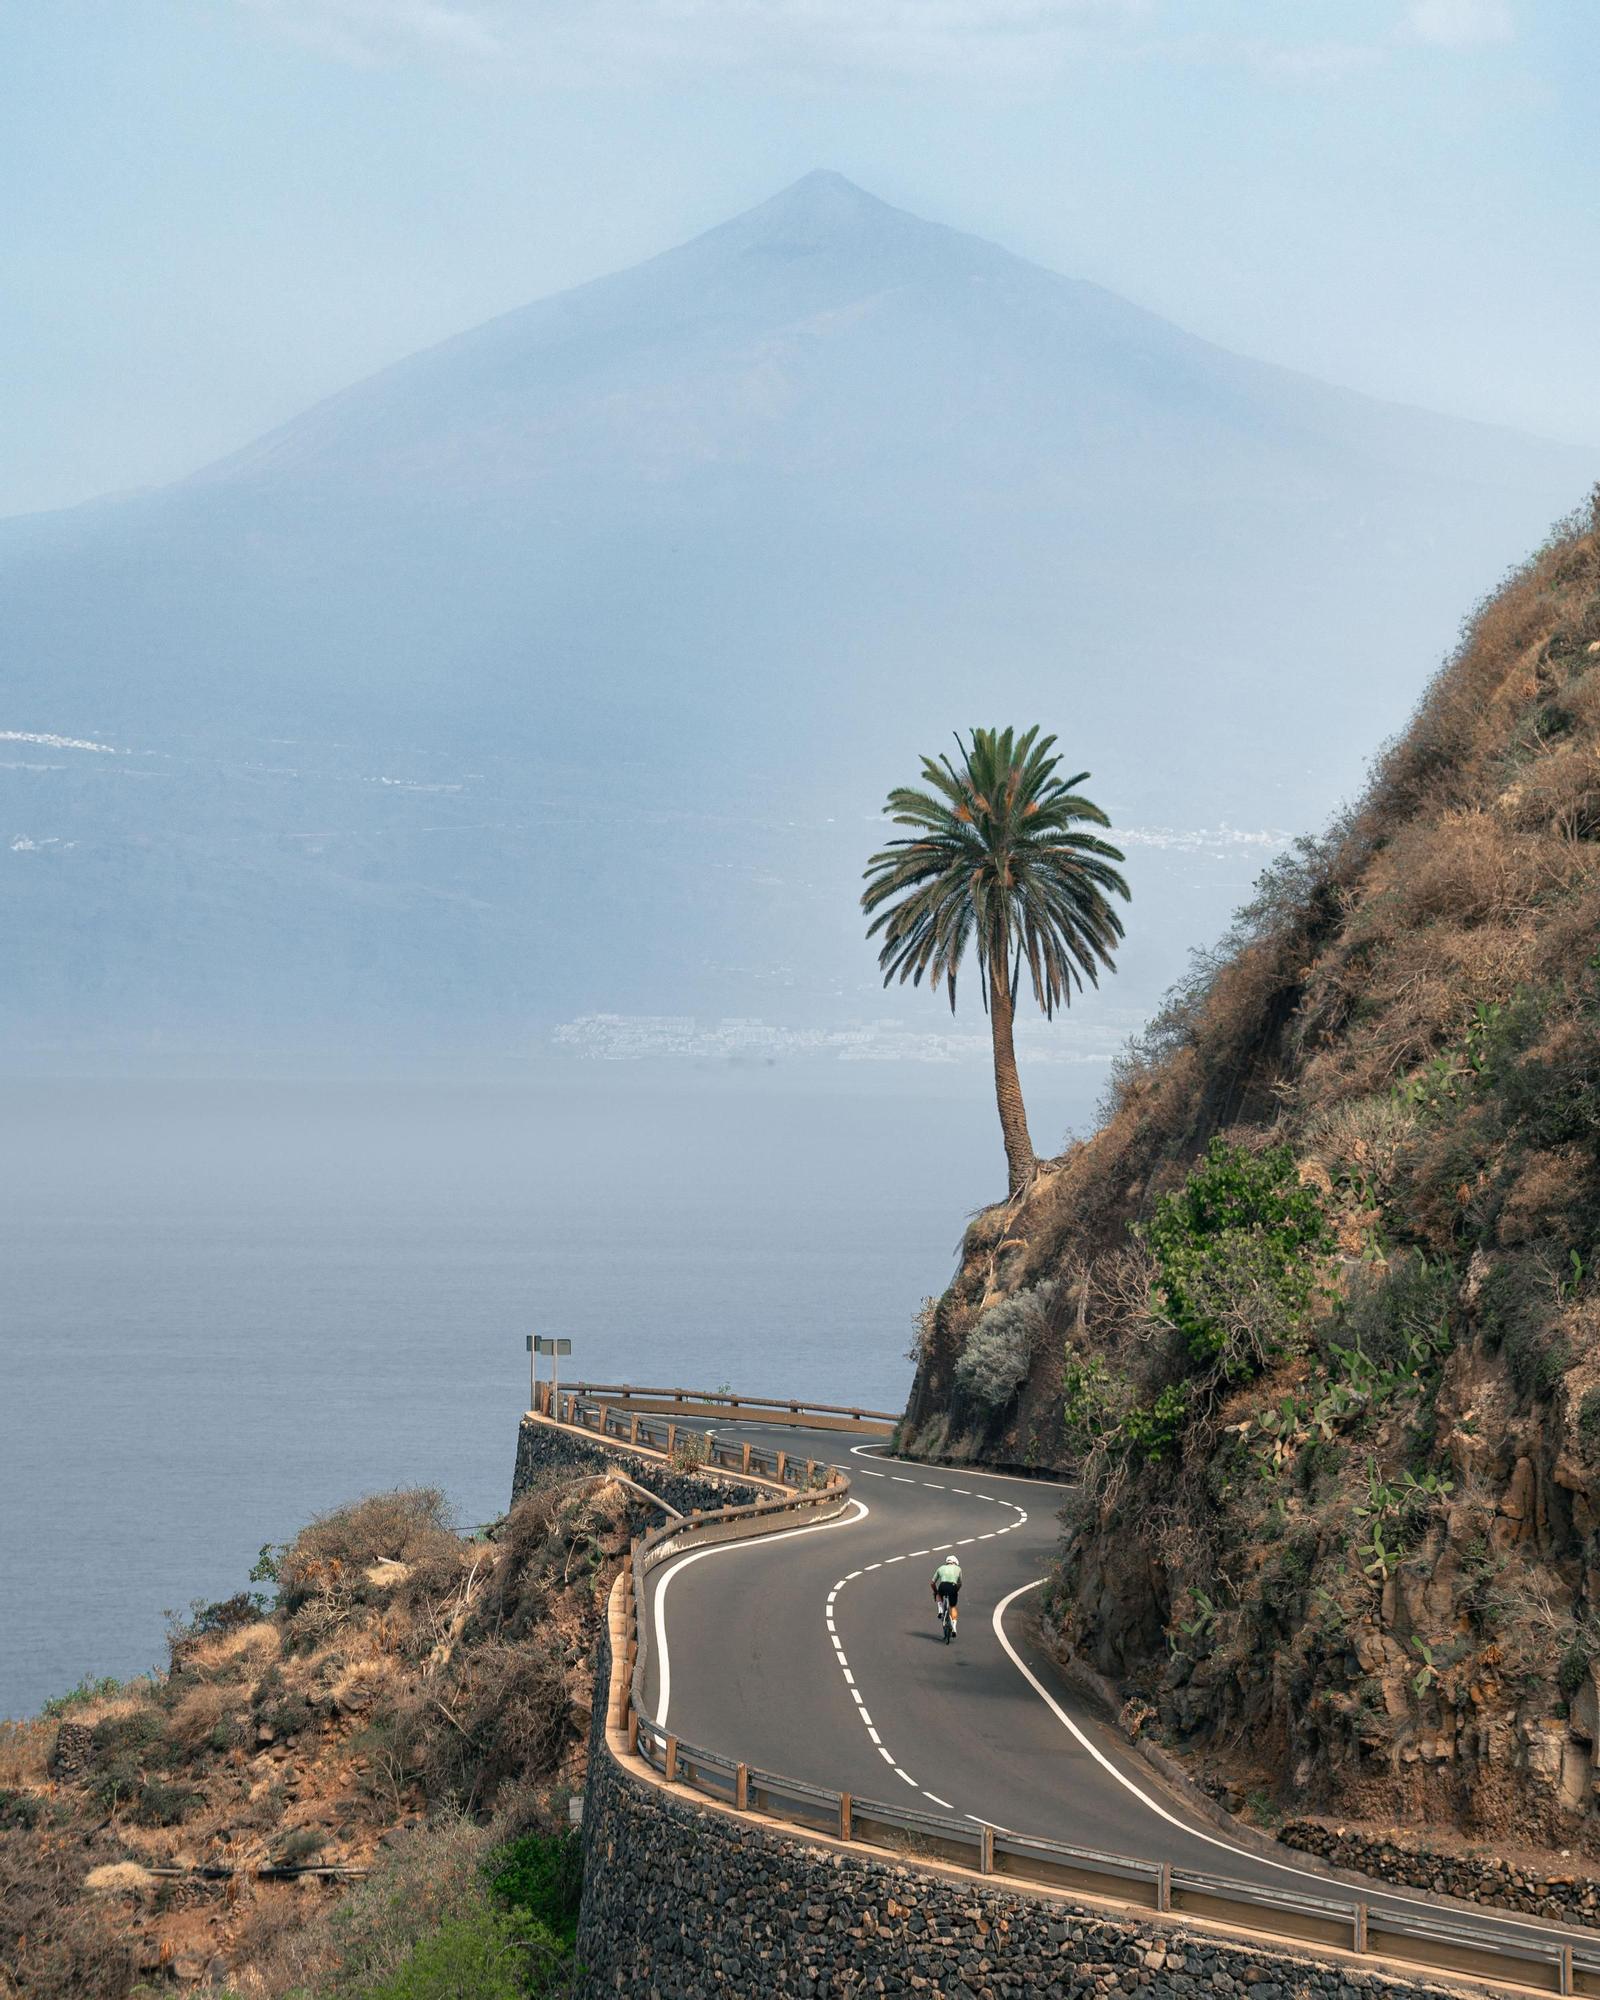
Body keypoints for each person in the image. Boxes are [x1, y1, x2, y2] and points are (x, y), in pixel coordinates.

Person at [931, 1554, 962, 1637]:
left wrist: (935, 1591)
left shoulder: (940, 1568)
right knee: (953, 1607)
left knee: (938, 1594)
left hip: (943, 1585)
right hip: (953, 1586)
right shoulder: (958, 1569)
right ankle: (954, 1627)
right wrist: (956, 1591)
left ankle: (940, 1610)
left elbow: (932, 1583)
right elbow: (959, 1583)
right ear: (955, 1562)